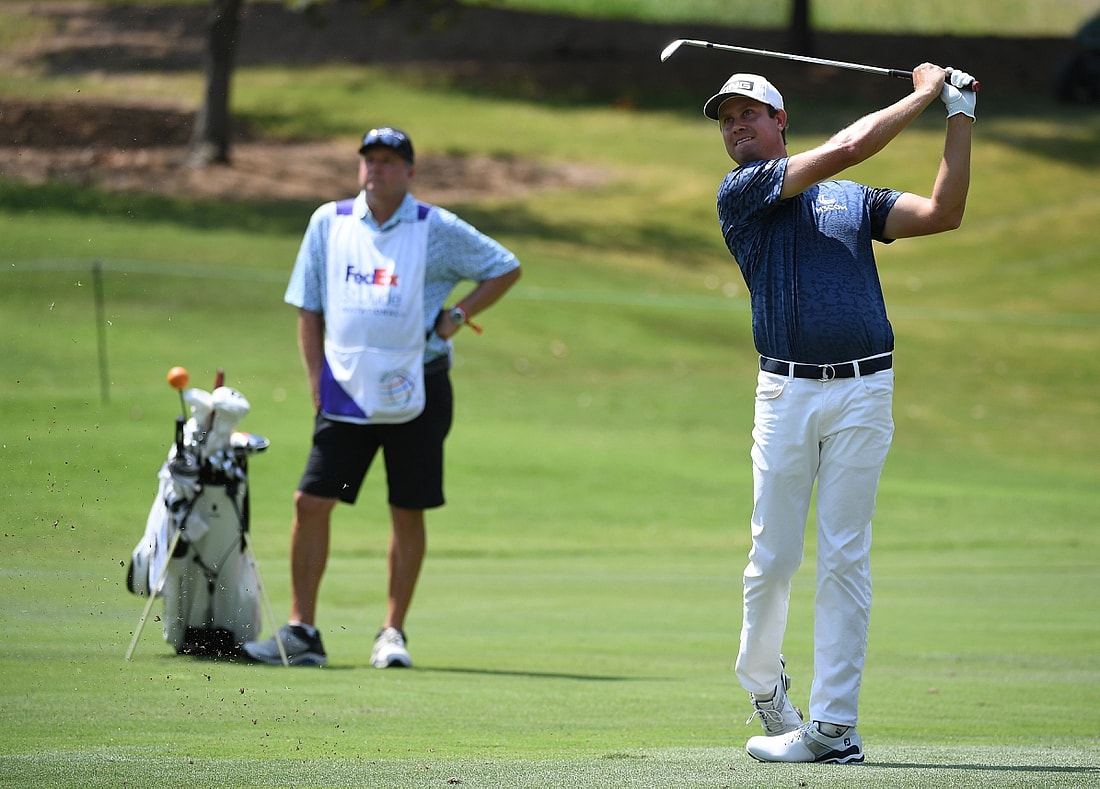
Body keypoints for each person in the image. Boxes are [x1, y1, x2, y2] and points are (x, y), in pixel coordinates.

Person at [702, 65, 975, 762]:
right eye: (726, 119)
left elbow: (944, 211)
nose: (735, 127)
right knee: (773, 555)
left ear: (780, 119)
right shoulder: (743, 193)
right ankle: (765, 687)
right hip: (784, 393)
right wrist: (921, 92)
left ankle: (833, 728)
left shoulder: (852, 200)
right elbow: (852, 145)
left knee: (846, 556)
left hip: (863, 389)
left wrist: (960, 114)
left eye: (748, 114)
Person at [243, 126, 521, 668]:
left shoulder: (434, 226)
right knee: (311, 501)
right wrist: (315, 382)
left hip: (419, 384)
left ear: (410, 172)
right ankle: (302, 631)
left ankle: (392, 633)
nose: (377, 169)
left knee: (407, 509)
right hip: (345, 388)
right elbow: (309, 307)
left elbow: (504, 266)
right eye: (369, 159)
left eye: (390, 161)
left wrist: (457, 317)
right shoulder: (329, 221)